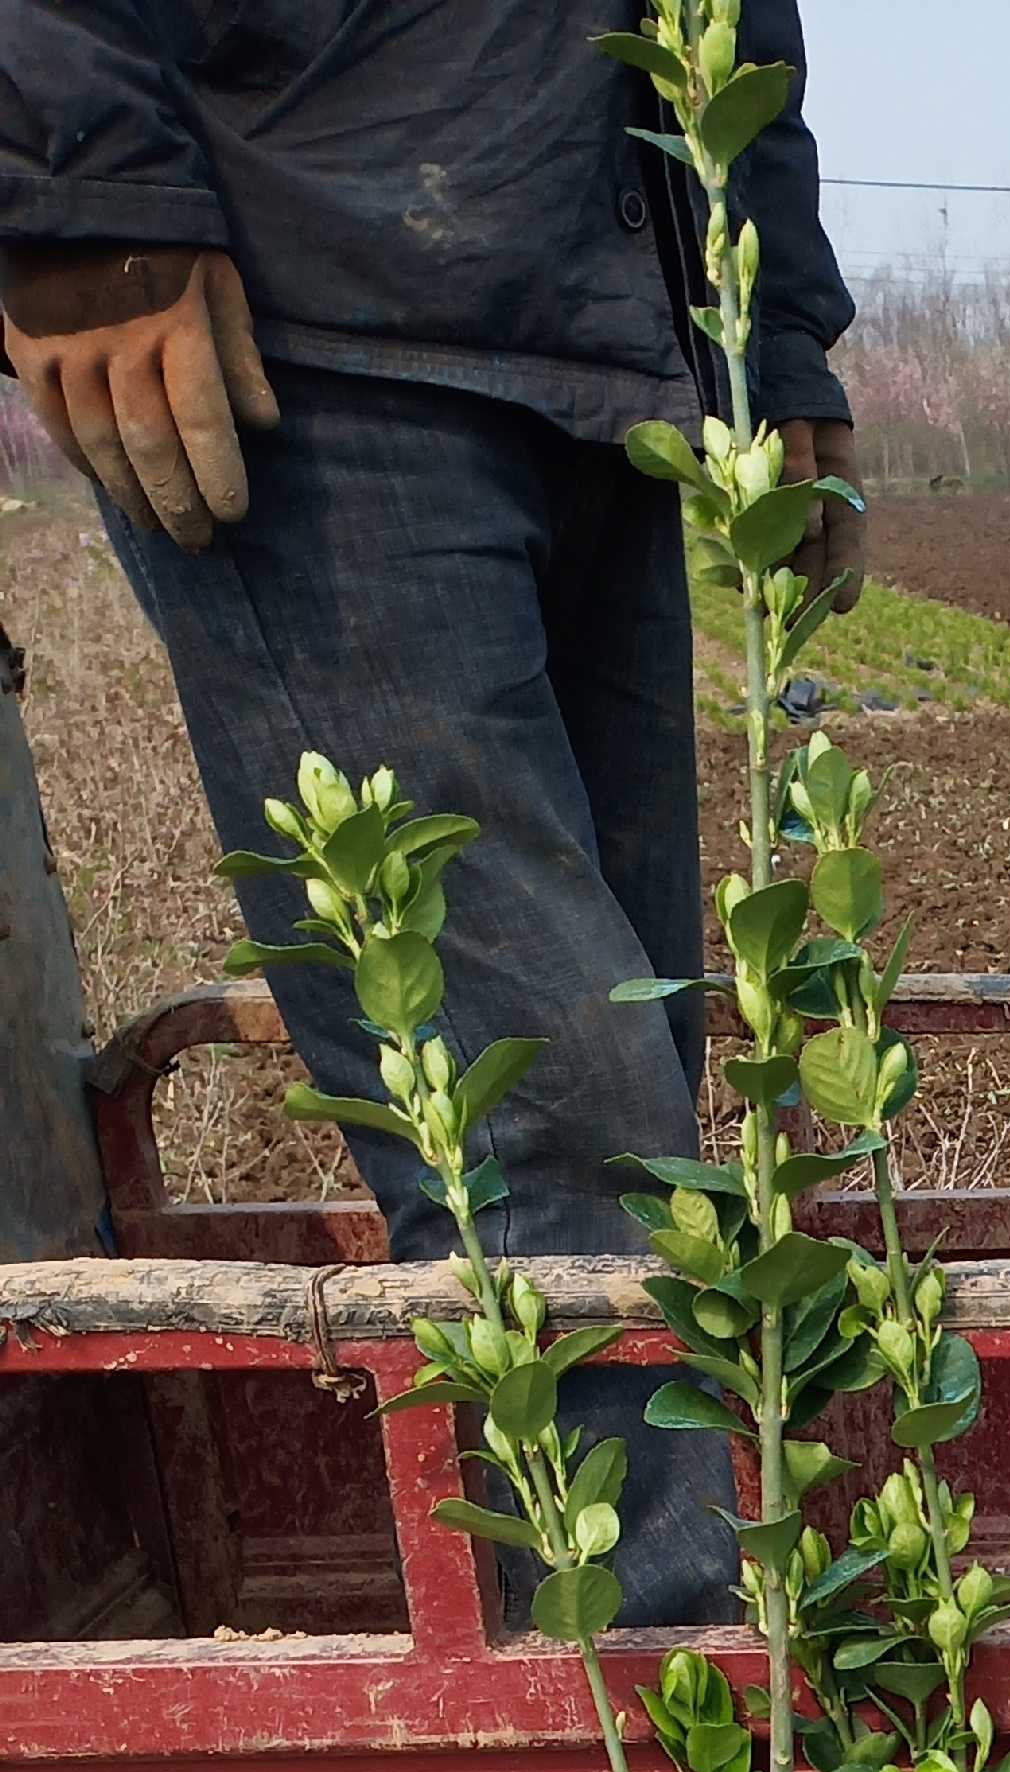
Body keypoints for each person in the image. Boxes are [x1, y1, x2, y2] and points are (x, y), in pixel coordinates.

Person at [0, 2, 862, 1625]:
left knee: (640, 1073)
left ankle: (698, 1711)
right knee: (545, 1116)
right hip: (302, 315)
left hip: (604, 327)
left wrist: (777, 317)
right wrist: (78, 180)